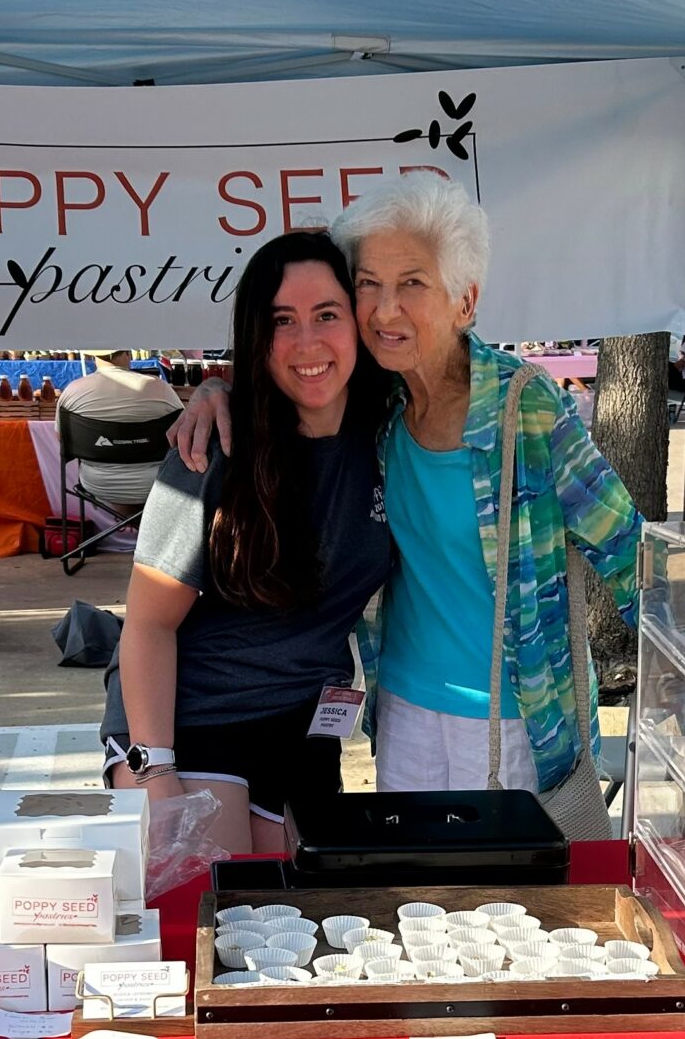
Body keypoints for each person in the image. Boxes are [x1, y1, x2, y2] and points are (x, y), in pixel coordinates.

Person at [173, 174, 639, 833]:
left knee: (509, 894)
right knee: (416, 890)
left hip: (513, 718)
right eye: (369, 284)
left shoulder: (525, 406)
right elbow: (286, 373)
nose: (385, 309)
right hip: (404, 711)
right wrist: (216, 392)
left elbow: (629, 551)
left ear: (464, 301)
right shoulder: (377, 402)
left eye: (412, 283)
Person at [108, 233, 393, 856]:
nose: (307, 343)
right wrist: (157, 775)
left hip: (304, 724)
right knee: (226, 898)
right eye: (281, 321)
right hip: (189, 716)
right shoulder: (216, 444)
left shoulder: (389, 434)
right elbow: (149, 624)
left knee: (299, 905)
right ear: (256, 337)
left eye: (327, 315)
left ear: (359, 322)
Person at [54, 349, 181, 517]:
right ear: (127, 353)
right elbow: (183, 433)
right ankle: (147, 527)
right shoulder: (160, 388)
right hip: (158, 482)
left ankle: (129, 523)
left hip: (97, 484)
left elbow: (62, 439)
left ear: (92, 355)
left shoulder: (72, 391)